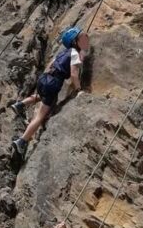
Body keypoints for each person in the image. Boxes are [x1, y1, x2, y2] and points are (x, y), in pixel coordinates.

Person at [10, 27, 90, 159]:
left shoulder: (63, 53)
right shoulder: (74, 54)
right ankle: (22, 141)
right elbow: (74, 74)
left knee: (41, 96)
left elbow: (49, 65)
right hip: (54, 83)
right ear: (76, 42)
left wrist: (45, 80)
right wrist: (78, 90)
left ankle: (21, 104)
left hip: (45, 78)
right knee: (40, 116)